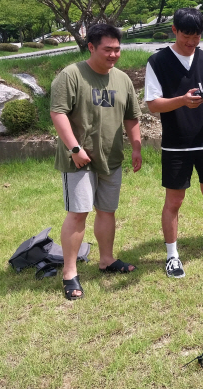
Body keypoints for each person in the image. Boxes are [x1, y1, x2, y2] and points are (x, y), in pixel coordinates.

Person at [50, 24, 142, 300]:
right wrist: (75, 148)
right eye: (107, 49)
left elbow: (131, 116)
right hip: (79, 159)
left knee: (107, 210)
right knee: (78, 213)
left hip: (111, 158)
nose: (113, 55)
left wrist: (136, 147)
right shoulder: (71, 75)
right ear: (91, 47)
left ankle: (106, 260)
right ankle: (69, 273)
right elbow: (58, 114)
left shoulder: (122, 79)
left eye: (117, 49)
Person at [145, 8, 203, 279]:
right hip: (176, 143)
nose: (192, 42)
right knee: (174, 200)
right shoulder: (157, 62)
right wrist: (182, 100)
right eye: (186, 36)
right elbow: (153, 105)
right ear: (174, 30)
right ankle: (172, 255)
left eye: (197, 36)